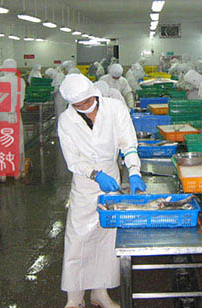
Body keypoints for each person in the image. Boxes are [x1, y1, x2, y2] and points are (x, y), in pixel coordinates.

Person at [57, 74, 145, 308]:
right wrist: (95, 174)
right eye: (79, 105)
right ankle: (74, 298)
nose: (85, 107)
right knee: (78, 239)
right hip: (85, 183)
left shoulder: (115, 108)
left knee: (106, 238)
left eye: (88, 101)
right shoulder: (66, 120)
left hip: (111, 178)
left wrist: (134, 171)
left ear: (93, 92)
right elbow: (73, 159)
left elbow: (128, 143)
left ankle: (100, 293)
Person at [0, 59, 27, 181]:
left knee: (3, 143)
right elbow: (21, 99)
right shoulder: (21, 81)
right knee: (17, 142)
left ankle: (2, 173)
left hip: (4, 116)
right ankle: (17, 172)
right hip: (16, 115)